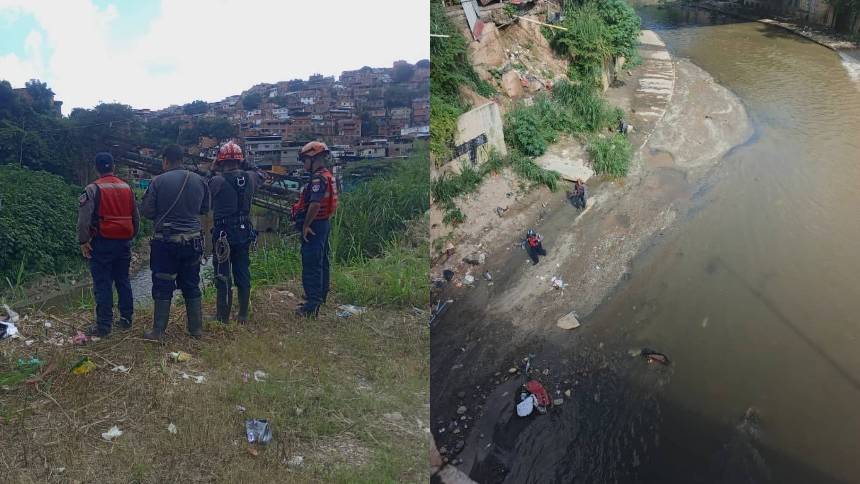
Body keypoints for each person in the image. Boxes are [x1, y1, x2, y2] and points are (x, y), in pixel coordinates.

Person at [140, 144, 210, 341]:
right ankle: (196, 329)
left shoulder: (158, 181)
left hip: (166, 242)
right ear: (182, 159)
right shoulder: (199, 180)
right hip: (193, 241)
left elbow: (147, 211)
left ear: (165, 160)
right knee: (191, 284)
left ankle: (158, 332)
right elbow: (205, 208)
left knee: (163, 285)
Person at [77, 152, 139, 337]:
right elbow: (136, 217)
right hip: (123, 243)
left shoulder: (92, 189)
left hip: (102, 243)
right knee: (123, 280)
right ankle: (126, 320)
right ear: (113, 166)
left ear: (96, 168)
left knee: (103, 283)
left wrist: (83, 241)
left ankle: (104, 327)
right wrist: (130, 235)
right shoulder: (127, 188)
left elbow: (83, 220)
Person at [208, 141, 261, 324]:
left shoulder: (218, 180)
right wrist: (245, 164)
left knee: (223, 273)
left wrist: (212, 169)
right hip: (244, 231)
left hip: (223, 234)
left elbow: (206, 198)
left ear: (221, 162)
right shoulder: (251, 177)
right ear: (240, 161)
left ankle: (223, 317)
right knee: (243, 272)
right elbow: (262, 174)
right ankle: (243, 314)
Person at [291, 141, 338, 317]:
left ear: (313, 158)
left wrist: (305, 225)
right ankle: (320, 296)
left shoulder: (318, 178)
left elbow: (315, 204)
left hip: (314, 226)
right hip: (322, 223)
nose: (303, 165)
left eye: (304, 161)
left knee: (311, 263)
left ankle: (311, 306)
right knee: (321, 261)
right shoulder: (327, 175)